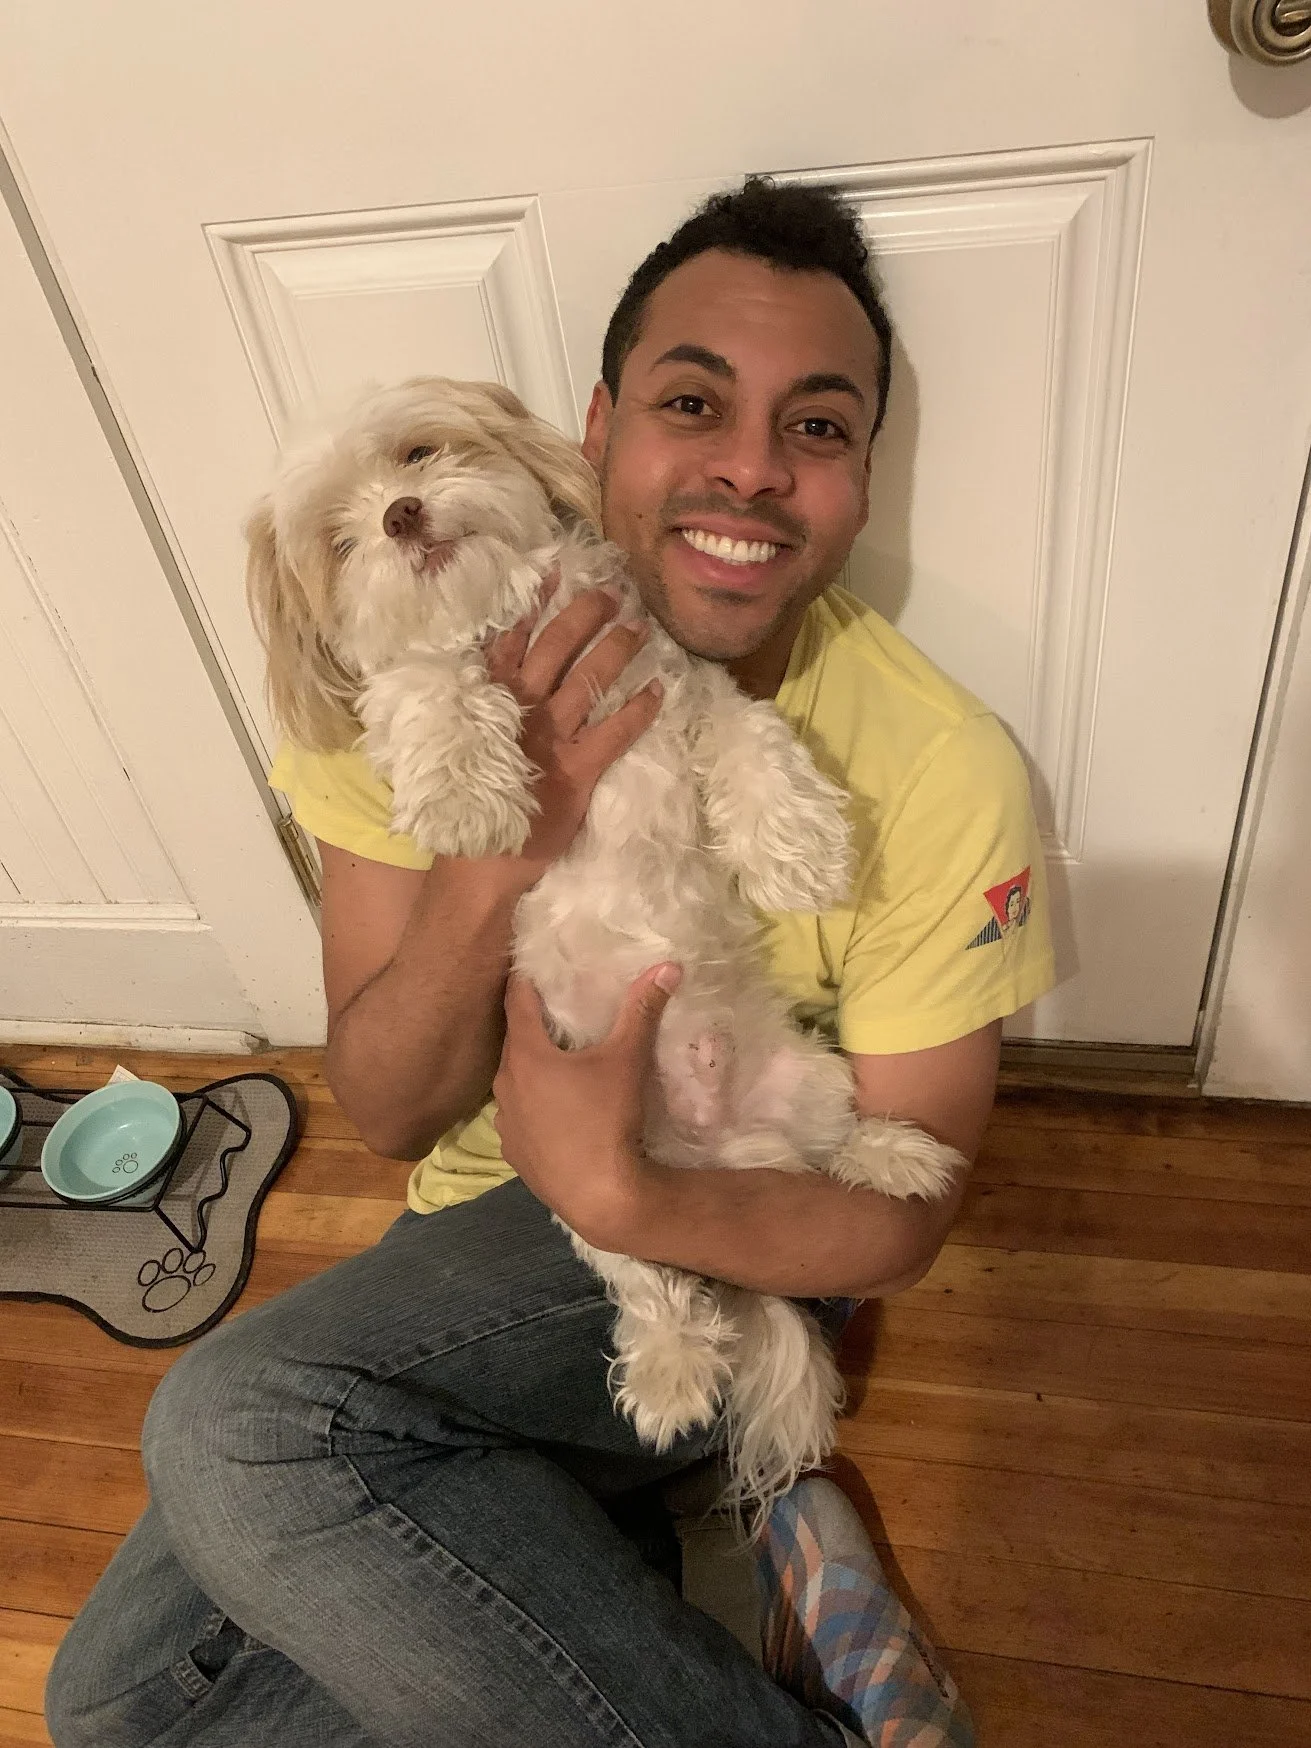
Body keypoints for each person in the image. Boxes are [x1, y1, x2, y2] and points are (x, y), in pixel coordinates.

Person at [45, 178, 1054, 1748]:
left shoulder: (941, 763)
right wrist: (510, 846)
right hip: (472, 1239)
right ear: (593, 432)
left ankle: (642, 1592)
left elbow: (899, 1229)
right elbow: (390, 1108)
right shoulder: (405, 674)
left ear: (861, 480)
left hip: (730, 1207)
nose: (748, 466)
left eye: (815, 426)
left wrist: (620, 1191)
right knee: (117, 1701)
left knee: (241, 1427)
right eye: (692, 402)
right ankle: (698, 1590)